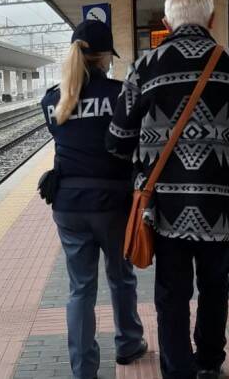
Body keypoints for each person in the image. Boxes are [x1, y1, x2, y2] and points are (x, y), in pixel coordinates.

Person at [106, 0, 229, 379]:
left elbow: (115, 140)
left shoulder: (146, 67)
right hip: (222, 209)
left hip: (166, 211)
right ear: (212, 19)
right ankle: (210, 362)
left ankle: (178, 371)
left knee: (171, 295)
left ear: (167, 22)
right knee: (215, 287)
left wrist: (140, 169)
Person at [41, 20, 147, 379]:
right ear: (103, 58)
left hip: (68, 205)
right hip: (112, 202)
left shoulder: (53, 100)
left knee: (80, 289)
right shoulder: (121, 94)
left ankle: (84, 369)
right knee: (121, 276)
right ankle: (128, 343)